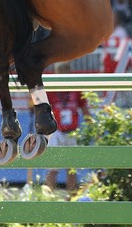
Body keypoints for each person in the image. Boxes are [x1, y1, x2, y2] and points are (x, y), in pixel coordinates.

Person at [45, 62, 90, 191]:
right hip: (56, 131)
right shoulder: (51, 89)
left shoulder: (75, 88)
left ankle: (71, 197)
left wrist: (91, 126)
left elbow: (84, 109)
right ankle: (50, 196)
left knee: (71, 169)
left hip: (72, 132)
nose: (63, 73)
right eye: (61, 71)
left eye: (66, 70)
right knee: (53, 168)